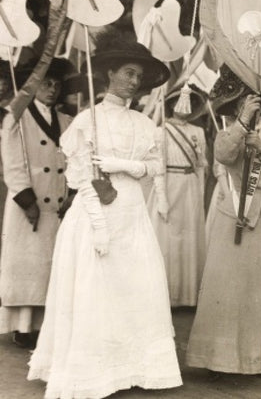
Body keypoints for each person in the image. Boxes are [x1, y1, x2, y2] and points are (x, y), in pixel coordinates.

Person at [28, 36, 182, 398]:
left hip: (132, 214)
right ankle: (94, 372)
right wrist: (98, 226)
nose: (133, 81)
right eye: (128, 73)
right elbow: (81, 179)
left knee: (133, 288)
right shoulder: (87, 121)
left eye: (138, 76)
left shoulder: (144, 124)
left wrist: (125, 165)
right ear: (109, 73)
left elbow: (154, 166)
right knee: (98, 290)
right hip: (97, 212)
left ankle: (134, 368)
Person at [186, 71, 261, 380]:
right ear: (235, 108)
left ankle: (250, 359)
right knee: (225, 287)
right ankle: (216, 359)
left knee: (255, 291)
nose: (253, 109)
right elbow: (223, 154)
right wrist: (242, 123)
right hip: (234, 212)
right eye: (244, 105)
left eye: (255, 104)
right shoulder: (226, 132)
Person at [0, 59, 75, 349]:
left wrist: (70, 193)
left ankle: (43, 324)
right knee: (26, 263)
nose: (52, 89)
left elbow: (68, 160)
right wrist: (26, 200)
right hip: (29, 203)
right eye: (46, 83)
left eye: (57, 84)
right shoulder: (16, 118)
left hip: (55, 200)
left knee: (48, 264)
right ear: (33, 85)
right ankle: (21, 327)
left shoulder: (65, 120)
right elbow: (13, 165)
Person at [147, 88, 208, 307]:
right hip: (169, 183)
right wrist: (162, 196)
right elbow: (157, 166)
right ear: (171, 104)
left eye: (190, 101)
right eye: (182, 101)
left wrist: (200, 191)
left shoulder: (198, 132)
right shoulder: (161, 130)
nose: (186, 106)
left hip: (190, 185)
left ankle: (188, 295)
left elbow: (201, 166)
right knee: (168, 237)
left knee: (189, 238)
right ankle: (166, 296)